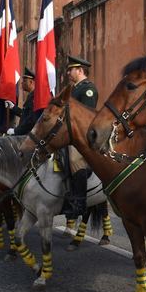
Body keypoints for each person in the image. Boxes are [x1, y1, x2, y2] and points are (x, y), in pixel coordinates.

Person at [62, 56, 98, 218]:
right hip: (67, 133)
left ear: (81, 70)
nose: (68, 72)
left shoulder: (88, 89)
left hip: (80, 135)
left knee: (75, 160)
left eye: (71, 69)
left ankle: (79, 201)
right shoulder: (73, 89)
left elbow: (85, 116)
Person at [6, 68, 42, 135]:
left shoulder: (35, 98)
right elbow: (25, 114)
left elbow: (31, 120)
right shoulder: (31, 96)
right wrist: (13, 107)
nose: (22, 83)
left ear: (31, 82)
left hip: (28, 136)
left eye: (25, 81)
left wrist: (16, 131)